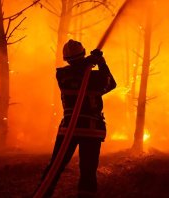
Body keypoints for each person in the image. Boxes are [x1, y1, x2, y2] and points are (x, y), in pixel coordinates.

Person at [40, 39, 116, 197]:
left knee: (55, 165)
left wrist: (94, 62)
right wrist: (101, 63)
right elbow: (110, 83)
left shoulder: (62, 75)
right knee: (88, 171)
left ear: (66, 59)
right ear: (83, 54)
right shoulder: (93, 77)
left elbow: (77, 73)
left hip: (68, 129)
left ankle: (43, 193)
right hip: (91, 130)